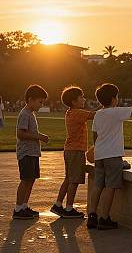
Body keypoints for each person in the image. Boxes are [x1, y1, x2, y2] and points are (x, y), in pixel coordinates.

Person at [87, 84, 132, 230]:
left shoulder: (98, 114)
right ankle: (104, 217)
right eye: (117, 96)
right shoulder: (116, 112)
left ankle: (92, 215)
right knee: (111, 186)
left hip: (100, 154)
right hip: (113, 155)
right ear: (113, 99)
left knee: (98, 185)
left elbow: (95, 136)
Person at [51, 86, 97, 218]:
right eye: (81, 97)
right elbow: (94, 114)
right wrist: (104, 105)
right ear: (73, 101)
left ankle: (58, 205)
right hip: (76, 150)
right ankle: (69, 208)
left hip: (70, 150)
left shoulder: (71, 112)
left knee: (68, 178)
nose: (84, 99)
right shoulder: (78, 112)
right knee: (74, 180)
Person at [13, 84, 50, 219]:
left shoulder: (31, 114)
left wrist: (40, 136)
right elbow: (21, 134)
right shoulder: (24, 114)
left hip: (33, 152)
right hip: (26, 153)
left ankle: (24, 206)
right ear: (30, 100)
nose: (41, 105)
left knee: (31, 180)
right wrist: (39, 136)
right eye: (40, 102)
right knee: (25, 180)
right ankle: (18, 208)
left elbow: (31, 132)